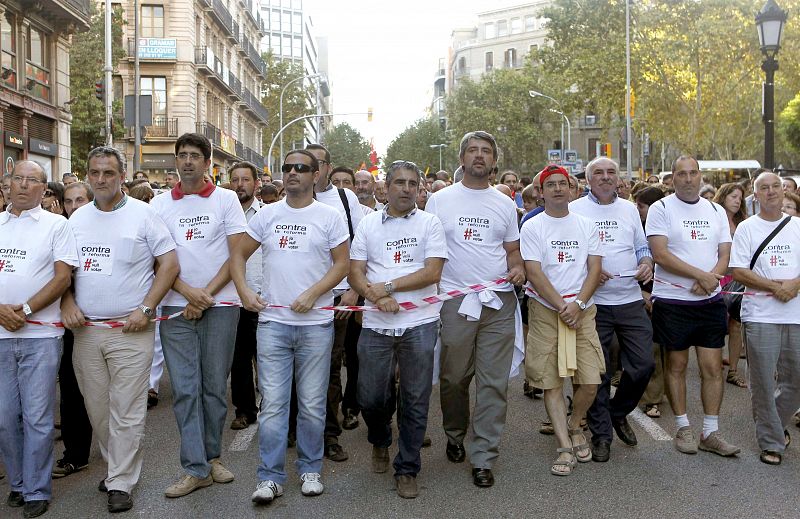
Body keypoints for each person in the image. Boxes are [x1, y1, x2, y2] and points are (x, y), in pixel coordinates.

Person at [61, 146, 179, 513]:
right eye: (94, 173)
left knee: (127, 409)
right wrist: (67, 303)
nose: (100, 180)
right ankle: (117, 467)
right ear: (87, 175)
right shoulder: (76, 219)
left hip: (132, 330)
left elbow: (170, 265)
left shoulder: (145, 216)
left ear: (121, 176)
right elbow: (62, 270)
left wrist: (146, 308)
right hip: (87, 332)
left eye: (108, 173)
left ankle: (122, 481)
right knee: (98, 408)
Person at [229, 149, 349, 504]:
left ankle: (310, 469)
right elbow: (237, 255)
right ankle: (270, 477)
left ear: (316, 175)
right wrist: (245, 292)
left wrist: (314, 294)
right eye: (288, 168)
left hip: (315, 325)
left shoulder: (330, 216)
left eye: (302, 168)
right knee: (274, 405)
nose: (293, 172)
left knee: (312, 404)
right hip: (273, 325)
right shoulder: (268, 215)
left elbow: (342, 264)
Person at [425, 131, 525, 488]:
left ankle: (483, 455)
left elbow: (513, 251)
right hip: (454, 302)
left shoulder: (504, 204)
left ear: (494, 161)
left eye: (486, 152)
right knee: (453, 378)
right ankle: (455, 432)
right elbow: (430, 250)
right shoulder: (440, 200)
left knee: (493, 383)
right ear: (462, 158)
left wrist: (518, 268)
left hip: (498, 301)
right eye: (472, 151)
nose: (479, 156)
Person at [151, 133, 247, 497]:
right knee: (186, 390)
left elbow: (236, 254)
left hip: (221, 305)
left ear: (208, 163)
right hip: (176, 307)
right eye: (182, 155)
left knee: (213, 388)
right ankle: (195, 467)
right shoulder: (159, 205)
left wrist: (204, 295)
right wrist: (187, 293)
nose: (188, 161)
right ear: (176, 161)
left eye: (195, 155)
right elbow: (158, 260)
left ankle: (212, 456)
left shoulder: (225, 200)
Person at [348, 160, 446, 499]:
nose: (406, 188)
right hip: (376, 324)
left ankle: (407, 467)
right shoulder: (368, 224)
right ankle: (379, 437)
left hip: (419, 322)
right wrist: (371, 293)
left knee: (416, 397)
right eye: (399, 182)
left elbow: (432, 272)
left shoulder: (431, 223)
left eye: (412, 183)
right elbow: (355, 272)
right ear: (385, 187)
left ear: (419, 188)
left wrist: (386, 289)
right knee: (371, 396)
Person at [646, 155, 739, 457]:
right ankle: (683, 427)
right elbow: (660, 254)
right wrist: (700, 275)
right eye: (681, 174)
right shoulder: (661, 208)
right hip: (673, 302)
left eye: (693, 173)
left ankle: (710, 432)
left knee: (713, 367)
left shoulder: (715, 210)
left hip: (710, 301)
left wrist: (711, 278)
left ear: (700, 176)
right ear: (673, 178)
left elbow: (725, 252)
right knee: (677, 365)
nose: (687, 179)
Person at [0, 161, 78, 518]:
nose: (23, 186)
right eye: (18, 179)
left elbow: (63, 278)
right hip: (1, 335)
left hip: (41, 335)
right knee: (5, 416)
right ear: (8, 183)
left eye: (32, 181)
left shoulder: (57, 225)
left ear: (44, 189)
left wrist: (27, 309)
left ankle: (36, 489)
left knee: (37, 416)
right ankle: (17, 483)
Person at [570, 157, 655, 463]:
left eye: (610, 173)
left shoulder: (630, 209)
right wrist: (591, 270)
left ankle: (618, 413)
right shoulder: (575, 209)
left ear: (619, 179)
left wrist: (646, 263)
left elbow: (642, 246)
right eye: (598, 173)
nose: (605, 178)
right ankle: (601, 436)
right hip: (594, 304)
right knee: (599, 373)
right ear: (588, 180)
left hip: (630, 299)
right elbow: (571, 252)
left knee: (643, 364)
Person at [522, 164, 604, 475]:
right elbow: (534, 271)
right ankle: (565, 445)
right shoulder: (532, 227)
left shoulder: (586, 225)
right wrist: (561, 306)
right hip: (546, 310)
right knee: (550, 380)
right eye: (551, 185)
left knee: (591, 379)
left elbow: (594, 268)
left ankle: (575, 422)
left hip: (583, 309)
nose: (558, 188)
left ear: (571, 189)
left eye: (563, 184)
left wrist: (579, 304)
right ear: (540, 193)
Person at [730, 172, 800, 465]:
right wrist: (775, 287)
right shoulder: (747, 228)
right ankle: (771, 441)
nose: (771, 192)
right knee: (761, 381)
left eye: (776, 187)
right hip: (760, 315)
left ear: (784, 194)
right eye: (764, 188)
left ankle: (773, 422)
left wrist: (794, 285)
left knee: (796, 378)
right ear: (755, 195)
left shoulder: (798, 226)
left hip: (795, 313)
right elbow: (738, 271)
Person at [305, 143, 365, 461]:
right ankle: (297, 429)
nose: (309, 169)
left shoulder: (344, 199)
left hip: (337, 297)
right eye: (302, 164)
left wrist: (354, 290)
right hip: (295, 302)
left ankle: (329, 435)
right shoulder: (290, 201)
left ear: (327, 167)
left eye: (317, 163)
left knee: (330, 369)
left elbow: (359, 245)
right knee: (298, 368)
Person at [52, 181, 95, 482]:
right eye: (69, 201)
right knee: (70, 389)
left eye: (80, 200)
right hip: (69, 323)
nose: (74, 207)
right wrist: (67, 303)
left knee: (106, 394)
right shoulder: (57, 232)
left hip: (110, 323)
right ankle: (75, 454)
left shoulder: (101, 228)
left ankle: (115, 451)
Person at [228, 162, 262, 430]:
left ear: (256, 183)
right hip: (233, 298)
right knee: (239, 360)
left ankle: (275, 410)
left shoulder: (267, 215)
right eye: (235, 180)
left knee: (268, 358)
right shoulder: (224, 214)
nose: (240, 184)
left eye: (245, 180)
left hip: (264, 298)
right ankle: (245, 411)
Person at [633, 186, 667, 418]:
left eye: (641, 206)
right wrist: (641, 293)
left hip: (669, 297)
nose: (638, 210)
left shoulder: (667, 230)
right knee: (649, 351)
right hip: (642, 298)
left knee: (669, 352)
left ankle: (660, 393)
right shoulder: (638, 231)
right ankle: (650, 398)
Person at [713, 183, 748, 388]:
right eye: (733, 196)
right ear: (723, 196)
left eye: (740, 197)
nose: (737, 201)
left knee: (736, 323)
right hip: (717, 276)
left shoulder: (743, 223)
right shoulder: (713, 220)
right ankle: (714, 363)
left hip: (737, 278)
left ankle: (733, 370)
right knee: (718, 323)